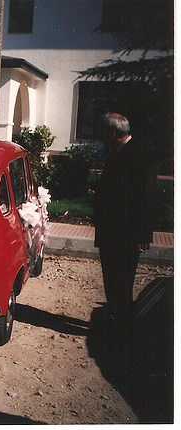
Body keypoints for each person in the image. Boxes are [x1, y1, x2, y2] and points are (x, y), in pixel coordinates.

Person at [93, 112, 156, 339]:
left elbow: (146, 197)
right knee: (112, 280)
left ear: (111, 133)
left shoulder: (138, 155)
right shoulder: (116, 153)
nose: (99, 138)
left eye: (101, 133)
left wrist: (142, 233)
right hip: (111, 231)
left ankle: (123, 330)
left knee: (122, 282)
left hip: (127, 233)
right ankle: (115, 323)